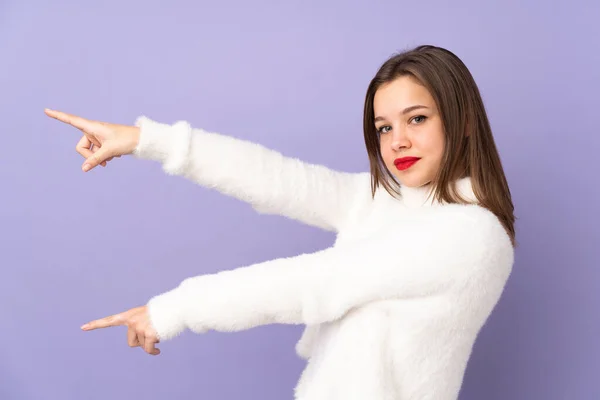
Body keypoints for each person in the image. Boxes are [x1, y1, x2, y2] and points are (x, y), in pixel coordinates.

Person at [45, 44, 516, 400]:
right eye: (384, 127)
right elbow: (277, 179)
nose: (396, 142)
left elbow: (314, 282)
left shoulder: (471, 235)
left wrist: (174, 310)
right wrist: (145, 139)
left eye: (417, 118)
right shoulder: (388, 202)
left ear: (464, 119)